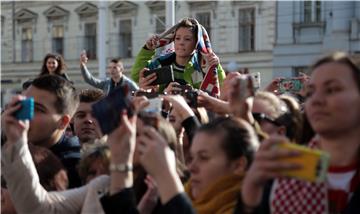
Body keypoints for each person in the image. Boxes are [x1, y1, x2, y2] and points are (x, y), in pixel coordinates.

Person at [241, 52, 360, 214]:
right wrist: (249, 201)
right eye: (310, 92)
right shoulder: (283, 171)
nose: (316, 100)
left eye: (331, 89)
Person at [131, 17, 226, 95]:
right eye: (177, 38)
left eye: (187, 39)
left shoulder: (203, 67)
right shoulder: (162, 63)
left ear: (196, 43)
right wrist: (147, 50)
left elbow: (222, 88)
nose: (181, 43)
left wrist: (216, 66)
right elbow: (136, 76)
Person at [185, 117, 259, 214]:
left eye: (203, 157)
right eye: (191, 158)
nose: (191, 168)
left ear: (238, 166)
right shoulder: (185, 199)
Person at [20, 75, 81, 188]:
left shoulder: (74, 166)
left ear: (63, 122)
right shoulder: (9, 147)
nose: (25, 115)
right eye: (25, 105)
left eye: (37, 109)